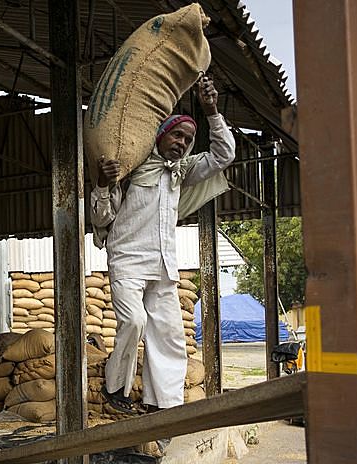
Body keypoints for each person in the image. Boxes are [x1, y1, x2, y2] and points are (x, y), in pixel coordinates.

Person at [90, 76, 235, 414]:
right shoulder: (133, 166)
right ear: (160, 136)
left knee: (169, 336)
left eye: (187, 139)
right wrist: (101, 181)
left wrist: (211, 111)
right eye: (177, 135)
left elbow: (223, 154)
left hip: (164, 266)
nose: (182, 143)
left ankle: (162, 406)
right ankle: (116, 391)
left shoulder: (182, 170)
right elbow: (101, 218)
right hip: (127, 260)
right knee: (135, 322)